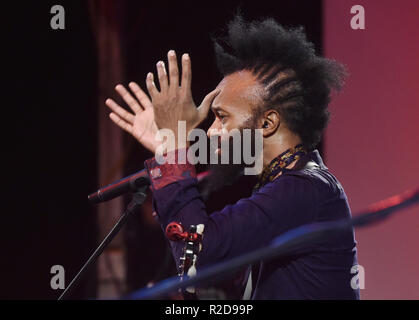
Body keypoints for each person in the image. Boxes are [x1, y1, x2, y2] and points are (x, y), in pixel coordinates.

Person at [105, 15, 360, 300]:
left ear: (267, 123)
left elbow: (198, 253)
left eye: (221, 117)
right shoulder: (286, 189)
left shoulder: (307, 189)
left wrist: (172, 148)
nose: (210, 131)